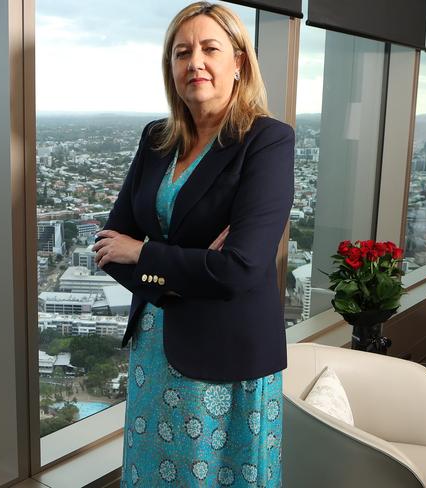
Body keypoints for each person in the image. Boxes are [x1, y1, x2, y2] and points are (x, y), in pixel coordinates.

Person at [91, 1, 294, 486]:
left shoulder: (266, 142)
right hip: (155, 352)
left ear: (239, 61)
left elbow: (241, 269)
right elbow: (107, 245)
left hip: (225, 356)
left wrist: (144, 253)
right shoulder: (157, 138)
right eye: (182, 53)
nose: (194, 62)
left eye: (209, 49)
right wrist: (194, 267)